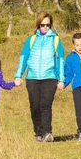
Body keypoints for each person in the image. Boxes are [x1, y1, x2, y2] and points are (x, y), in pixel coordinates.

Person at [14, 12, 65, 142]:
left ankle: (48, 132)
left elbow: (60, 60)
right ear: (38, 25)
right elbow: (23, 58)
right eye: (43, 25)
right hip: (32, 78)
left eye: (48, 25)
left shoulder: (56, 40)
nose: (45, 27)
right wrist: (18, 76)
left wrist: (61, 80)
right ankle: (39, 132)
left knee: (45, 105)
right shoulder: (31, 40)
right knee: (35, 106)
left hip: (50, 77)